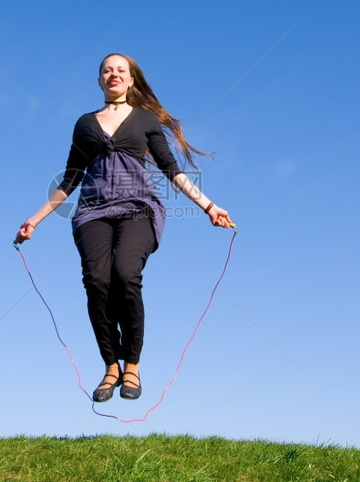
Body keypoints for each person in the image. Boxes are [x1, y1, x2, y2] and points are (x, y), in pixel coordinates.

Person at [14, 53, 233, 402]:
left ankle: (132, 364)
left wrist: (208, 206)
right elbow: (71, 178)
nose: (113, 74)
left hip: (138, 209)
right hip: (92, 212)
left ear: (131, 80)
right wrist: (34, 220)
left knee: (125, 273)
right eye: (107, 70)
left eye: (121, 70)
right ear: (99, 80)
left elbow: (172, 170)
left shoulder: (145, 120)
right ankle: (110, 365)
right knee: (97, 280)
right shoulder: (85, 124)